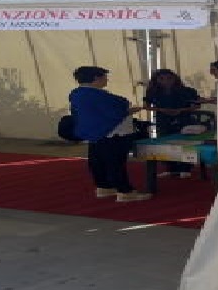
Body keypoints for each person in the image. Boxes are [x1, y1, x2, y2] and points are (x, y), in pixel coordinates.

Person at [68, 66, 151, 203]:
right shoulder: (98, 95)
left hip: (94, 132)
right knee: (116, 163)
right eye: (104, 77)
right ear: (96, 78)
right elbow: (117, 111)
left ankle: (104, 187)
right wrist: (131, 110)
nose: (106, 80)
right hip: (112, 133)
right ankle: (125, 192)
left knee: (97, 161)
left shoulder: (76, 94)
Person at [143, 69, 201, 179]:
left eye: (169, 78)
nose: (166, 81)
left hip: (184, 119)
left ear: (175, 78)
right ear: (156, 80)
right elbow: (146, 106)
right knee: (166, 143)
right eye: (161, 78)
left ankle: (186, 168)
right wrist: (161, 110)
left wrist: (181, 110)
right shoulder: (152, 91)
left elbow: (197, 105)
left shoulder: (187, 91)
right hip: (163, 120)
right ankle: (171, 169)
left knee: (185, 143)